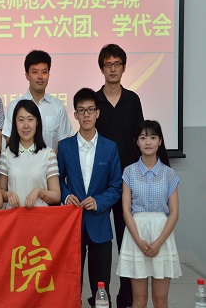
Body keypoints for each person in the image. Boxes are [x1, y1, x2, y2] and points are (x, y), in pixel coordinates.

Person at [58, 88, 122, 308]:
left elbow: (116, 186)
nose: (86, 115)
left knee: (101, 287)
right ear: (75, 114)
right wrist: (66, 196)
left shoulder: (110, 147)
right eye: (81, 110)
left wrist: (99, 201)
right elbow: (58, 181)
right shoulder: (65, 147)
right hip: (72, 224)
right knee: (71, 282)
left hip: (100, 224)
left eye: (90, 110)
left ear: (97, 113)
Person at [95, 43, 144, 308]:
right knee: (100, 245)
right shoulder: (94, 101)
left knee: (127, 242)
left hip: (128, 183)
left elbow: (140, 139)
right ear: (101, 68)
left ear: (124, 67)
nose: (112, 69)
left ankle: (126, 298)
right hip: (100, 185)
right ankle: (100, 297)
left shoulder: (132, 100)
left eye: (117, 64)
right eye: (108, 64)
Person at [116, 120, 181, 308]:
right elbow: (126, 210)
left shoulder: (169, 174)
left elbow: (174, 213)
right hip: (136, 234)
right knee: (139, 300)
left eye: (153, 137)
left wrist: (159, 242)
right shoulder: (129, 172)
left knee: (160, 300)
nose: (148, 142)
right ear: (137, 141)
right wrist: (138, 240)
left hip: (162, 235)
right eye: (143, 138)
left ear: (160, 141)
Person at [2, 50, 72, 151]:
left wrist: (52, 159)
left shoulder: (57, 106)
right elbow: (9, 140)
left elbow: (64, 142)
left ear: (49, 75)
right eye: (35, 72)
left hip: (51, 160)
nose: (40, 77)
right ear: (27, 75)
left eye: (44, 72)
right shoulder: (14, 106)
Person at [0, 99, 61, 208]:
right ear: (15, 123)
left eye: (30, 119)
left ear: (37, 122)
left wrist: (39, 192)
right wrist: (8, 195)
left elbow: (56, 196)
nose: (26, 125)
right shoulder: (6, 154)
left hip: (40, 216)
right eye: (21, 120)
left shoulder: (48, 154)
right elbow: (1, 191)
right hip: (14, 216)